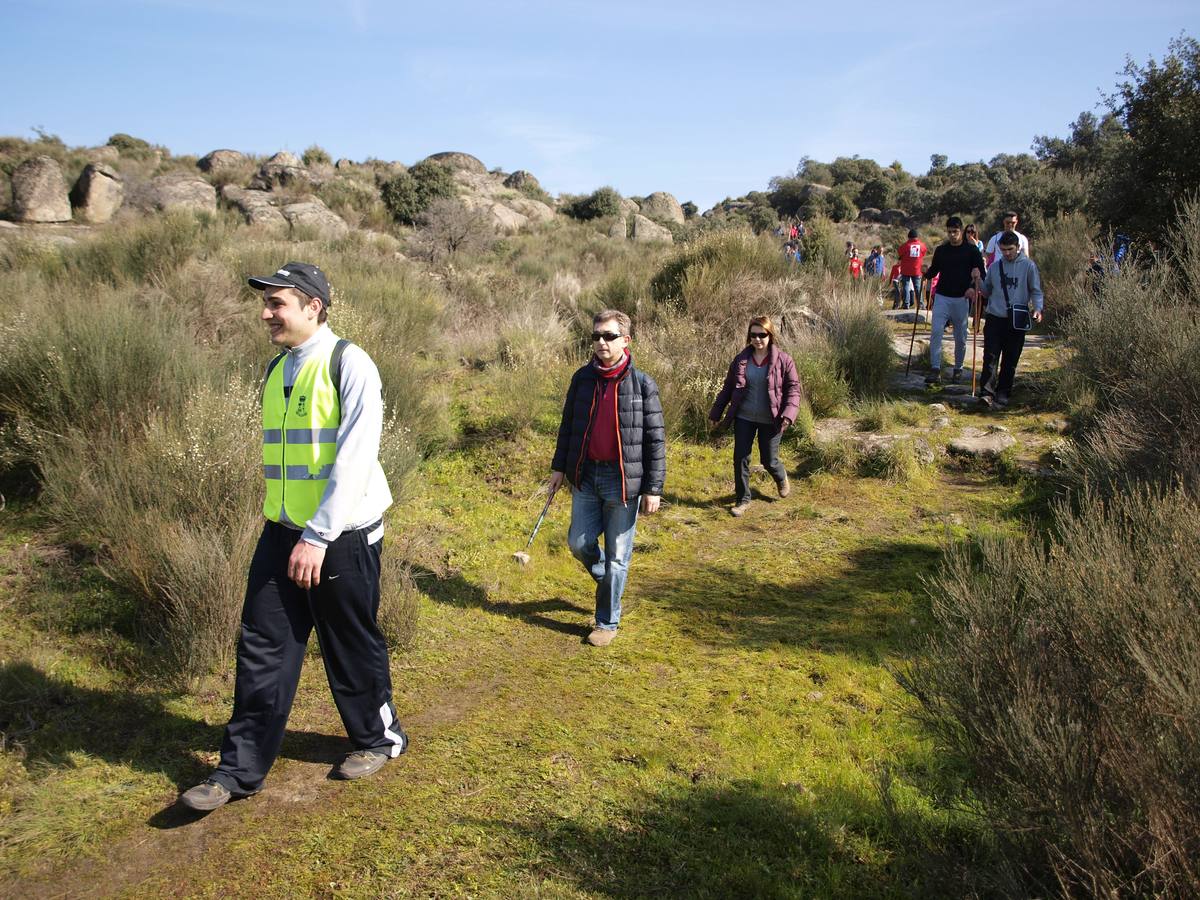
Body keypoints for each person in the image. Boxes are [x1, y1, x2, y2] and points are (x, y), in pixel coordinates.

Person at [180, 262, 405, 812]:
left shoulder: (349, 363)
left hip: (341, 535)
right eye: (266, 303)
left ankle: (378, 739)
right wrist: (291, 530)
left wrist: (319, 535)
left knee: (348, 641)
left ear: (313, 307)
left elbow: (354, 459)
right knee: (262, 646)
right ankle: (238, 771)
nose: (266, 314)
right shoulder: (276, 368)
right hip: (281, 530)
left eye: (277, 304)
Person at [549, 310, 665, 648]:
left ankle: (606, 621)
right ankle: (609, 587)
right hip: (586, 476)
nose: (601, 342)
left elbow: (656, 440)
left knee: (618, 556)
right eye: (597, 335)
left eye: (609, 336)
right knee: (578, 543)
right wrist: (559, 468)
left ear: (626, 341)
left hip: (623, 480)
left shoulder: (643, 384)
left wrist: (653, 488)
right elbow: (568, 426)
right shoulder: (582, 379)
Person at [709, 316, 801, 517]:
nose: (757, 339)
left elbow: (793, 389)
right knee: (740, 458)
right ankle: (742, 499)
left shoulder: (784, 361)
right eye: (753, 335)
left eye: (762, 335)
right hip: (744, 417)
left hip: (772, 419)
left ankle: (780, 476)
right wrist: (716, 412)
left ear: (770, 336)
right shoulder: (741, 360)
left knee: (769, 460)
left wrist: (788, 413)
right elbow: (728, 388)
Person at [976, 232, 1045, 408]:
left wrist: (1038, 309)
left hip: (1017, 319)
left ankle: (1003, 393)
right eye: (1003, 250)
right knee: (990, 356)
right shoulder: (995, 267)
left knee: (1011, 358)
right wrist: (977, 280)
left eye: (1010, 249)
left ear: (1018, 247)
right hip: (994, 317)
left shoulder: (1028, 266)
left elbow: (1036, 290)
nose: (1007, 253)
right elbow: (986, 291)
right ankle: (986, 393)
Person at [923, 217, 986, 385]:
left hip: (961, 298)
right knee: (936, 331)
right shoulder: (941, 250)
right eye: (949, 232)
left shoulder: (971, 251)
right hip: (942, 296)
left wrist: (973, 286)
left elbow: (981, 273)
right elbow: (935, 269)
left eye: (955, 232)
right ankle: (935, 368)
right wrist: (926, 274)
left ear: (961, 231)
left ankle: (958, 368)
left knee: (961, 336)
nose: (952, 235)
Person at [898, 229, 927, 309]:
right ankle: (920, 305)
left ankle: (906, 304)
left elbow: (899, 253)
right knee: (918, 288)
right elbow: (924, 252)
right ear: (917, 237)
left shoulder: (905, 246)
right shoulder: (922, 245)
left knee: (906, 287)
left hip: (906, 270)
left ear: (909, 237)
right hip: (917, 270)